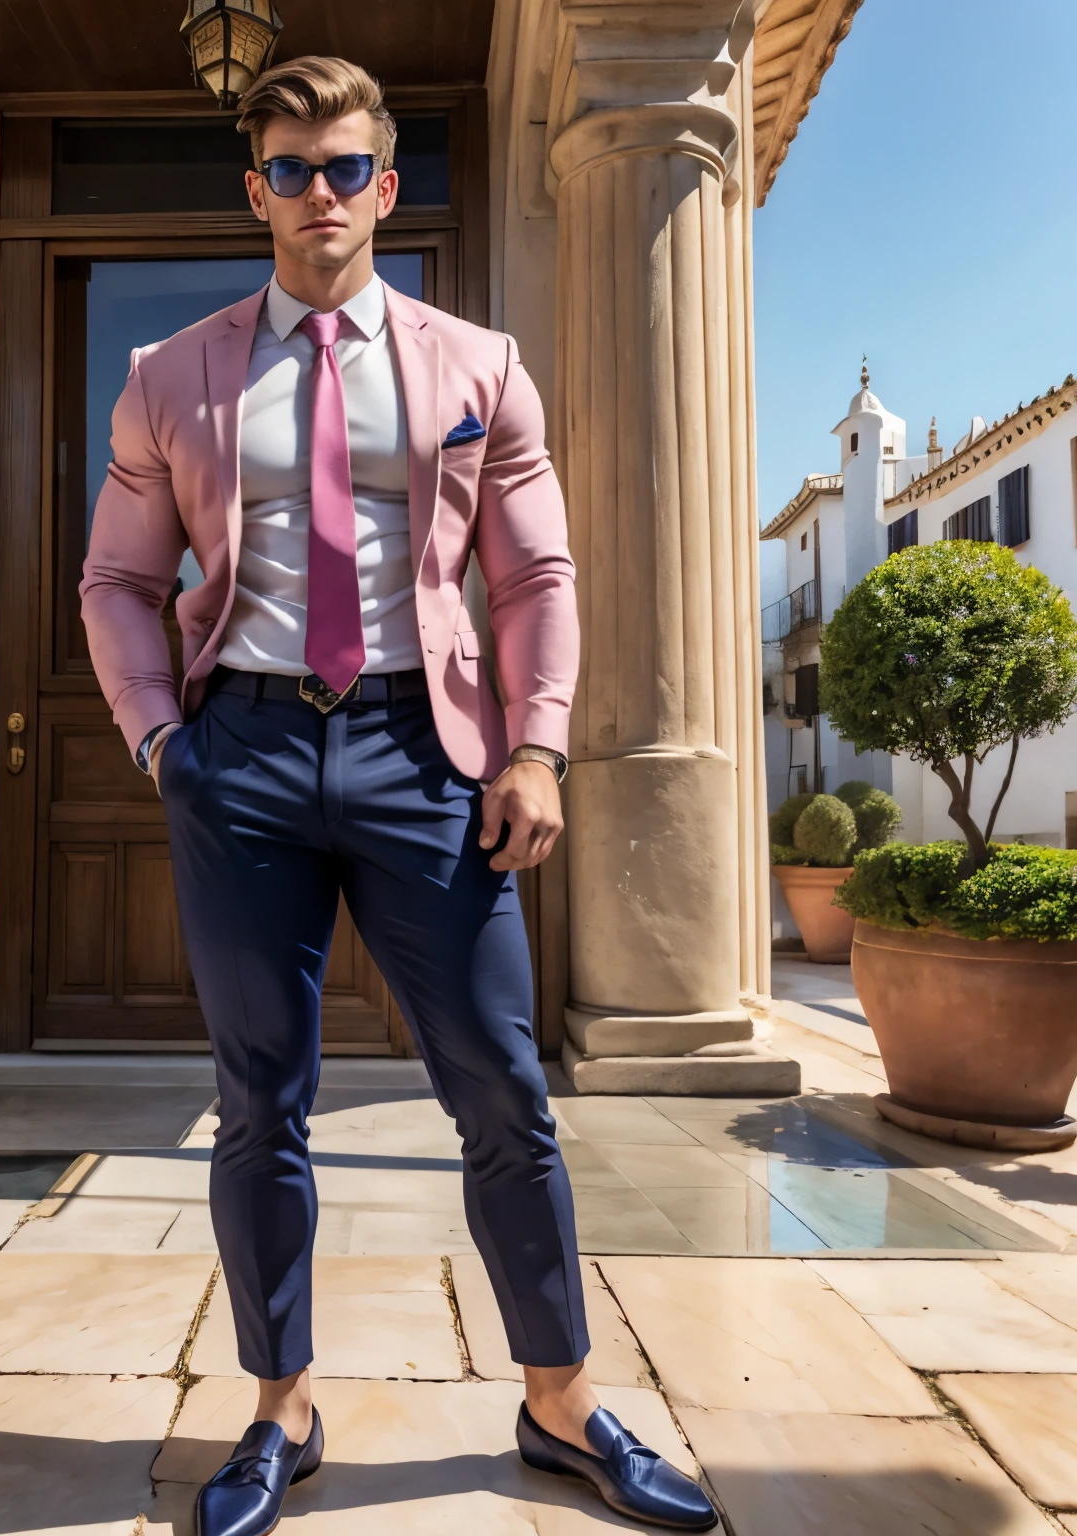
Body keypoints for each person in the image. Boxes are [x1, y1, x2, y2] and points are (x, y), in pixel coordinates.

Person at [80, 54, 717, 1536]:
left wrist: (537, 746)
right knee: (261, 1103)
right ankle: (277, 1410)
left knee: (502, 1086)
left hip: (424, 754)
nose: (321, 193)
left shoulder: (477, 365)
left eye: (347, 166)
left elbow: (535, 574)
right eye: (291, 168)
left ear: (388, 184)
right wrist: (160, 741)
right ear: (256, 192)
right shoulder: (166, 377)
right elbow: (118, 582)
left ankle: (561, 1404)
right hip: (236, 752)